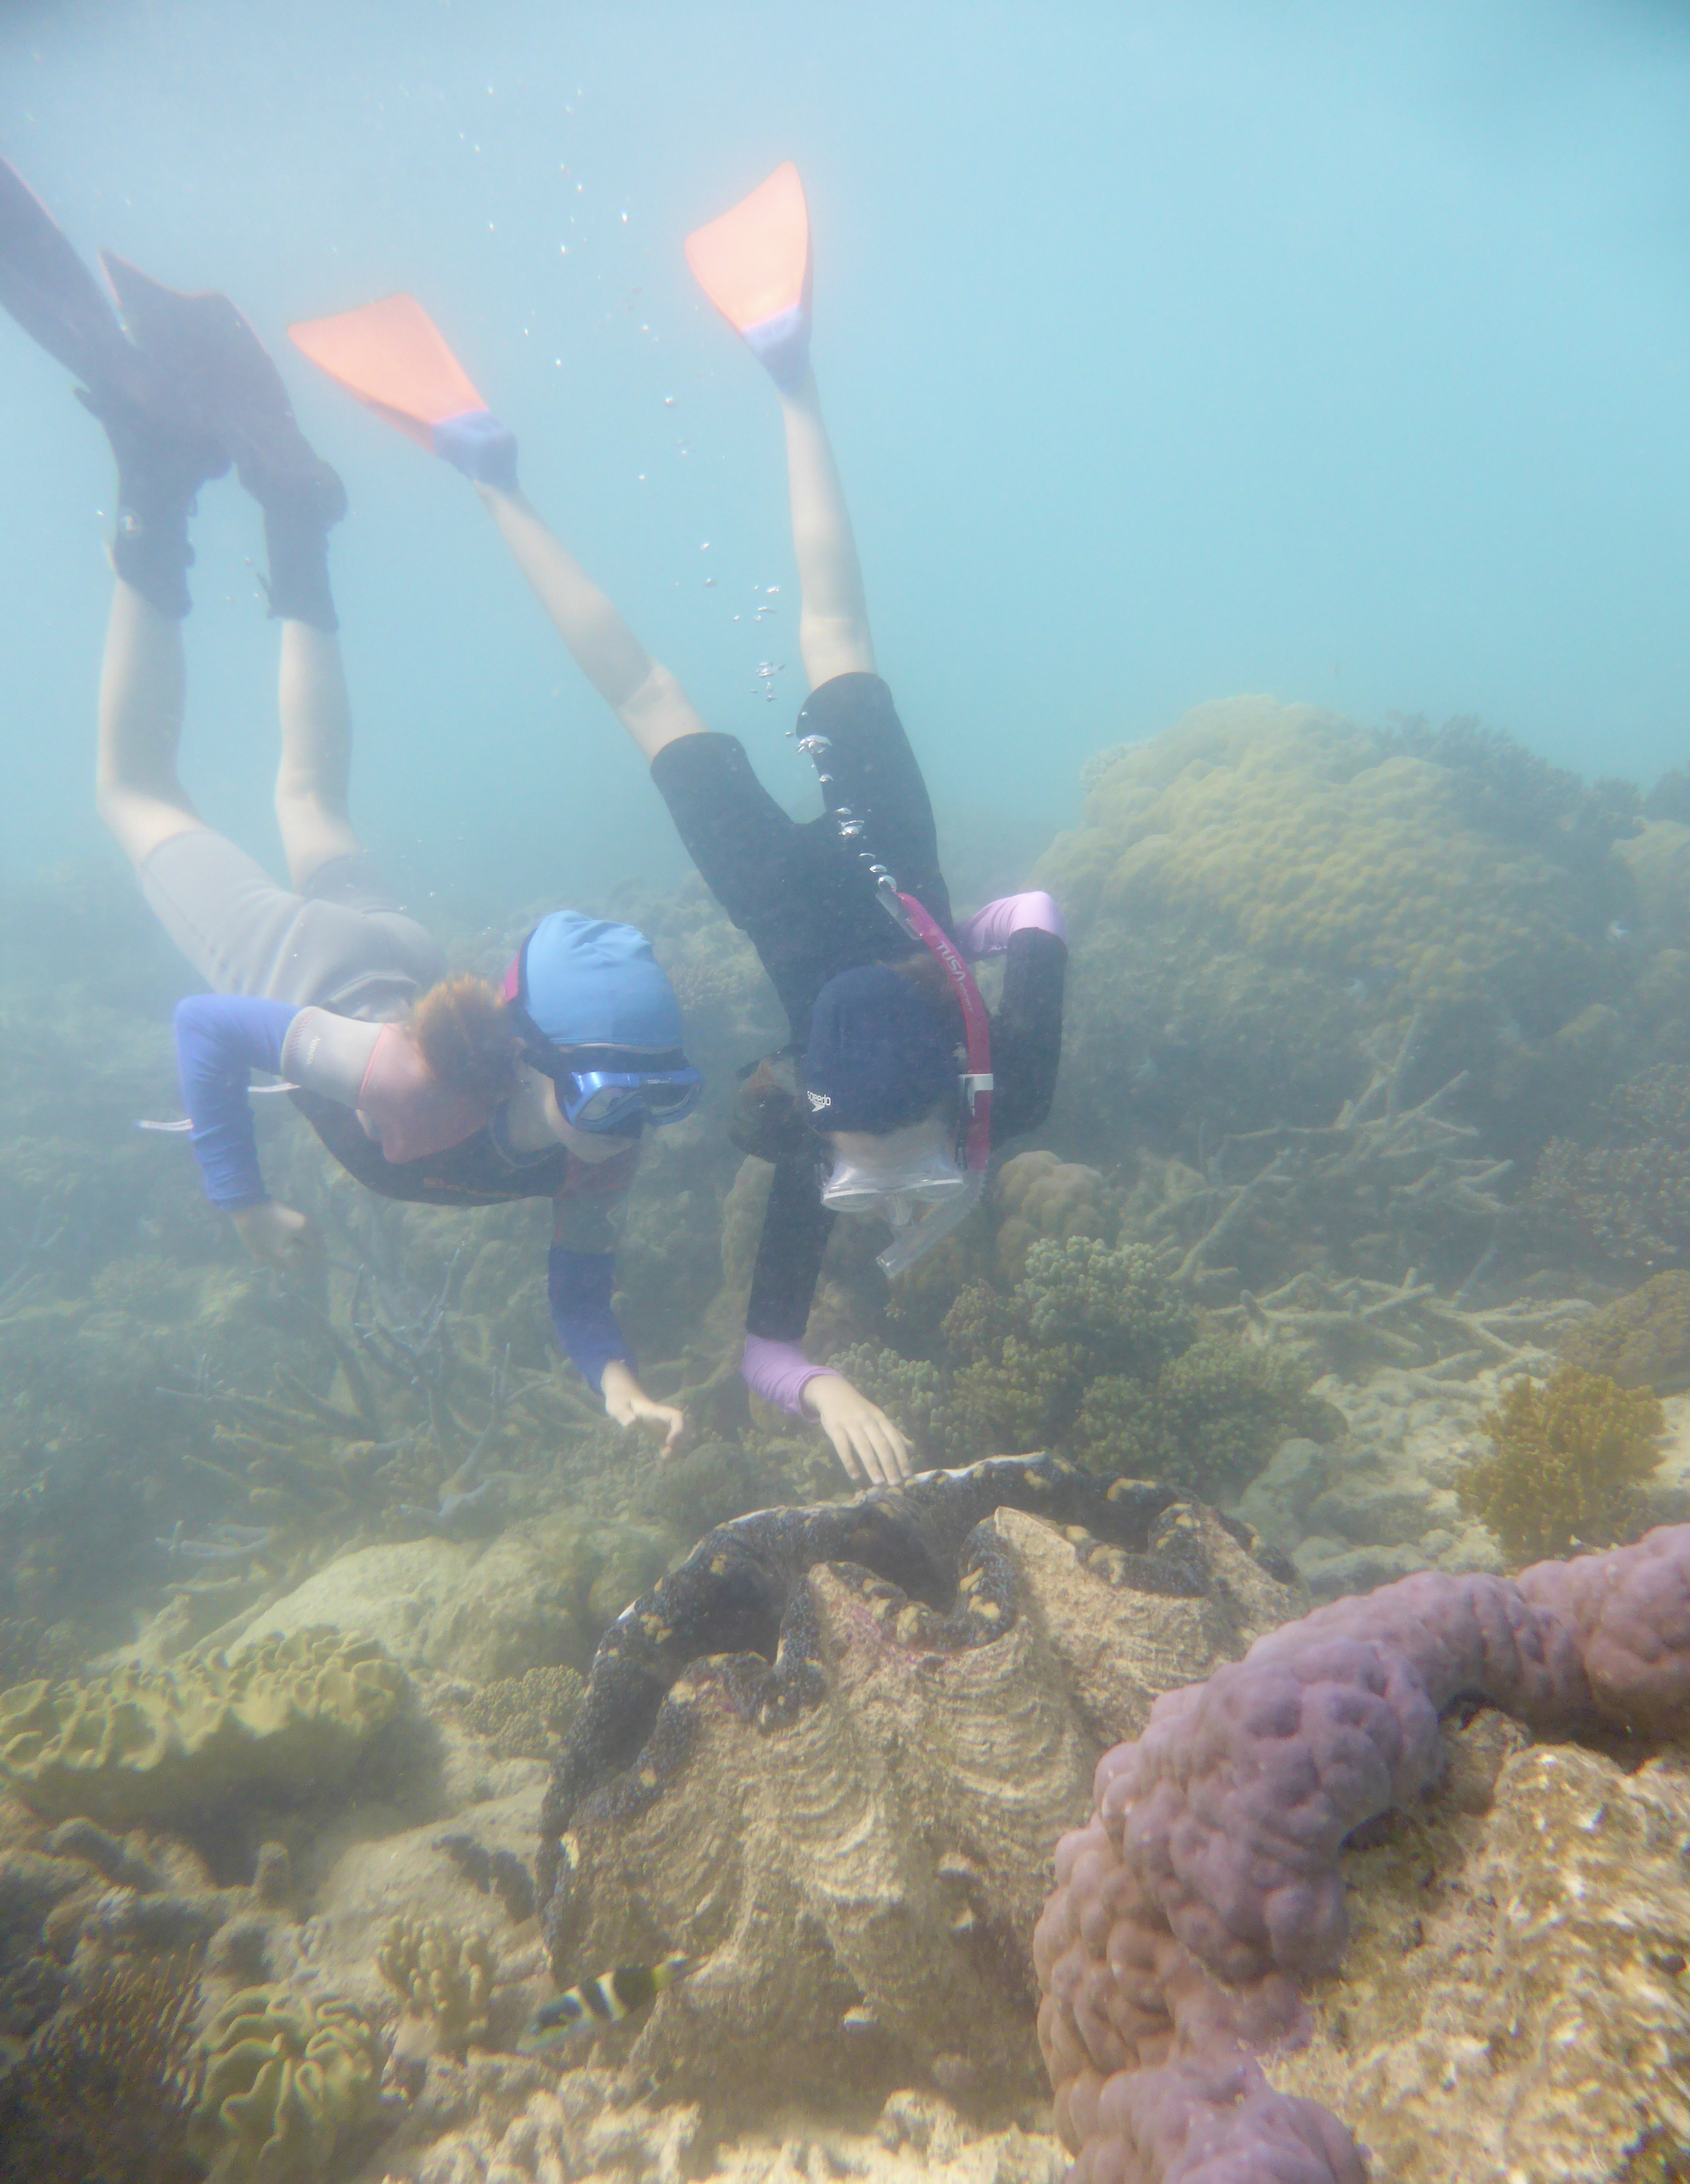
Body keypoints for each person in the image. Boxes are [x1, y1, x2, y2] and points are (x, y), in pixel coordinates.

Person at [290, 164, 1069, 1489]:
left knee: (684, 683)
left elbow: (765, 1346)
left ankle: (490, 468)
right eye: (881, 1169)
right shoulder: (1003, 1088)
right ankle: (783, 358)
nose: (871, 1189)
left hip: (805, 889)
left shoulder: (828, 1130)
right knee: (798, 644)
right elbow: (1040, 914)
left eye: (865, 1174)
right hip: (831, 884)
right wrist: (977, 931)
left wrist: (818, 1388)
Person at [0, 159, 699, 1459]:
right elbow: (209, 1021)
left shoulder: (603, 1134)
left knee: (308, 792)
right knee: (135, 789)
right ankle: (157, 485)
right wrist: (242, 1202)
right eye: (607, 1105)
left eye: (637, 1112)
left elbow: (580, 1286)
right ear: (524, 1056)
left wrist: (619, 1385)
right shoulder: (380, 1065)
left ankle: (302, 528)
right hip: (312, 969)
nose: (614, 1143)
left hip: (395, 951)